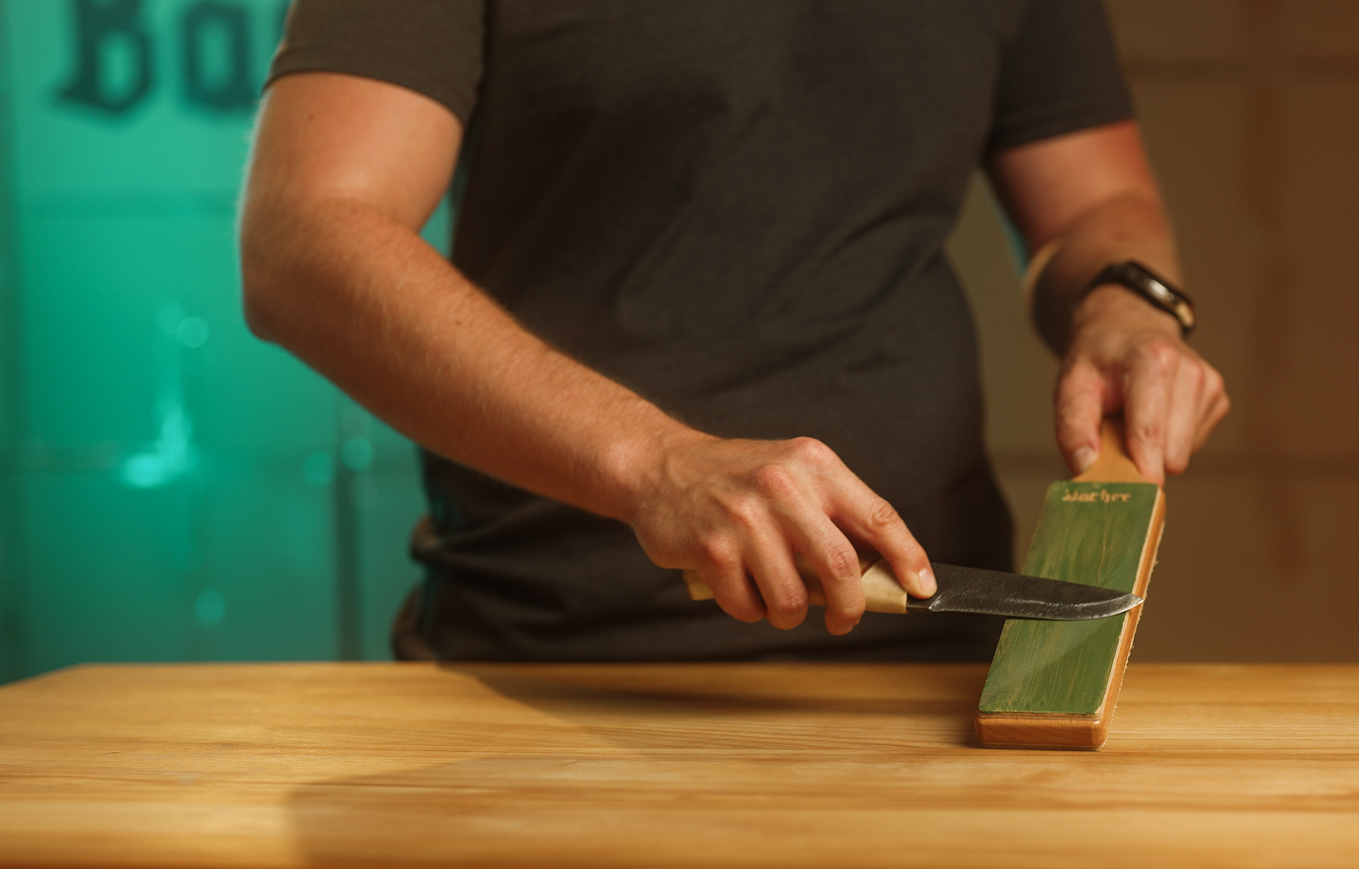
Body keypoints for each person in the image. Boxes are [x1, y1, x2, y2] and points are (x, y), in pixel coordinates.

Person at [240, 0, 1228, 662]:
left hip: (934, 672)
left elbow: (1090, 202)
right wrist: (654, 462)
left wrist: (1124, 300)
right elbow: (304, 235)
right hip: (556, 670)